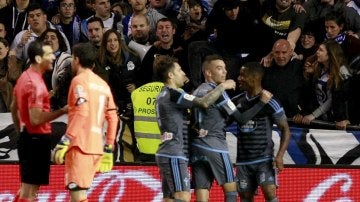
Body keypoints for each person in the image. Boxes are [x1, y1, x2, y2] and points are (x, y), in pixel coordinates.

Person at [154, 55, 236, 201]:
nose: (184, 73)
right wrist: (223, 86)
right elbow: (204, 102)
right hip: (174, 153)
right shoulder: (174, 94)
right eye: (179, 70)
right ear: (171, 75)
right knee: (183, 197)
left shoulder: (164, 95)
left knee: (170, 198)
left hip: (168, 152)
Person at [53, 42, 119, 201]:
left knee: (78, 194)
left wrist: (65, 140)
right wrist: (109, 147)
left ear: (76, 59)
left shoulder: (79, 81)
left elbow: (82, 112)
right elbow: (113, 117)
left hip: (80, 146)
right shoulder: (103, 85)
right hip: (96, 147)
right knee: (78, 194)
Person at [10, 40, 68, 202]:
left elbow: (14, 107)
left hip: (29, 138)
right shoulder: (35, 83)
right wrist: (62, 111)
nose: (53, 58)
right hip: (36, 140)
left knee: (27, 190)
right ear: (38, 59)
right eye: (48, 55)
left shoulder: (24, 76)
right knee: (29, 193)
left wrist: (20, 131)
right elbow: (35, 119)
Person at [189, 54, 245, 202]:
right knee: (231, 189)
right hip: (215, 146)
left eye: (225, 69)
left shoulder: (197, 91)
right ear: (208, 72)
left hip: (196, 146)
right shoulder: (218, 91)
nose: (224, 72)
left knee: (202, 191)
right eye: (219, 68)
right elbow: (239, 118)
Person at [233, 61, 290, 202]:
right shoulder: (236, 101)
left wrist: (280, 155)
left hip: (264, 159)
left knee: (270, 193)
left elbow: (285, 129)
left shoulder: (271, 102)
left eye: (242, 75)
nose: (239, 78)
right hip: (243, 161)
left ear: (254, 77)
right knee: (245, 198)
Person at [95, 29, 142, 162]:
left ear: (120, 42)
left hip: (132, 108)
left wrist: (136, 86)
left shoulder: (133, 58)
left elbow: (144, 79)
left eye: (115, 40)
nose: (113, 43)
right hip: (111, 109)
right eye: (109, 41)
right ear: (104, 44)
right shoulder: (100, 62)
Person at [262, 39, 305, 119]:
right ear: (272, 52)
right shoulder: (265, 66)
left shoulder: (299, 67)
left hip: (294, 118)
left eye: (284, 52)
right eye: (277, 52)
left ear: (291, 52)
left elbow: (307, 92)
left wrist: (302, 112)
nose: (280, 56)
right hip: (269, 117)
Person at [39, 28, 72, 110]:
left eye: (53, 38)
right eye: (46, 38)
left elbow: (64, 85)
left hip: (58, 104)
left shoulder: (66, 59)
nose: (49, 40)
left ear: (59, 42)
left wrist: (52, 93)